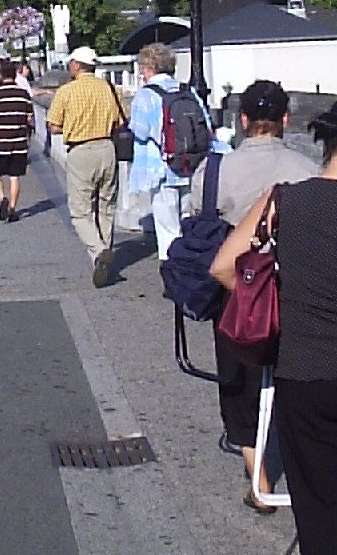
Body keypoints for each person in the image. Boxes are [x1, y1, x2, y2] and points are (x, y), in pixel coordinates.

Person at [211, 103, 337, 551]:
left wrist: (281, 307)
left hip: (302, 369)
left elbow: (225, 267)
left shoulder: (285, 200)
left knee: (317, 504)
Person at [191, 81, 318, 512]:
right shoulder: (308, 168)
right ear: (285, 119)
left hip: (238, 287)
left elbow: (198, 219)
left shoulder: (213, 172)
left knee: (238, 379)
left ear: (242, 120)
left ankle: (258, 472)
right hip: (298, 288)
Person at [46, 46, 125, 287]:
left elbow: (53, 126)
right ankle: (102, 258)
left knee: (80, 210)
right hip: (107, 148)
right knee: (106, 206)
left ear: (77, 65)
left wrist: (73, 125)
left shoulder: (66, 91)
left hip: (81, 151)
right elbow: (122, 120)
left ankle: (99, 250)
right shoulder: (111, 89)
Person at [129, 43, 211, 269]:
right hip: (191, 164)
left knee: (167, 226)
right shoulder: (187, 91)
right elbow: (207, 125)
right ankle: (192, 264)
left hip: (162, 169)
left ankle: (173, 270)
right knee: (187, 218)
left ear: (148, 68)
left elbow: (140, 130)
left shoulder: (146, 95)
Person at [0, 61, 34, 222]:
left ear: (0, 75)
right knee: (15, 176)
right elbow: (29, 118)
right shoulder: (24, 94)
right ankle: (12, 208)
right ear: (15, 75)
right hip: (19, 141)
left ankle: (2, 197)